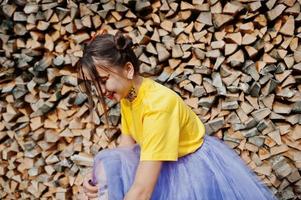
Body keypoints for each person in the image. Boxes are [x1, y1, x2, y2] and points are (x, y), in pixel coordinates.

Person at [77, 30, 276, 200]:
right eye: (95, 85)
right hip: (160, 167)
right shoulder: (129, 96)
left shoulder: (157, 105)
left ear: (128, 69)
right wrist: (99, 177)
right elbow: (125, 152)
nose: (101, 91)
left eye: (103, 80)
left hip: (192, 173)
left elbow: (142, 191)